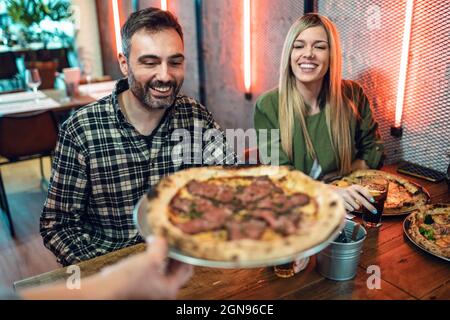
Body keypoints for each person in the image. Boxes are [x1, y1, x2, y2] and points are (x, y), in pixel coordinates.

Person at [41, 8, 233, 266]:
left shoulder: (196, 117)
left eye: (175, 62)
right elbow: (58, 225)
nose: (165, 75)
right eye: (150, 62)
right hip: (113, 269)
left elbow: (232, 186)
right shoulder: (81, 130)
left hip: (186, 262)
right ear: (124, 64)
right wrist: (105, 275)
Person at [254, 13, 384, 213]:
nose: (308, 53)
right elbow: (280, 176)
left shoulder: (353, 94)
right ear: (289, 54)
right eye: (299, 46)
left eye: (320, 46)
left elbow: (374, 150)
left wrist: (341, 184)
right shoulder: (267, 105)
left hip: (348, 206)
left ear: (331, 55)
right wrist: (327, 191)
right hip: (295, 211)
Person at [1, 237, 193, 300]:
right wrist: (111, 279)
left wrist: (112, 282)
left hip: (184, 274)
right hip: (97, 268)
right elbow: (58, 224)